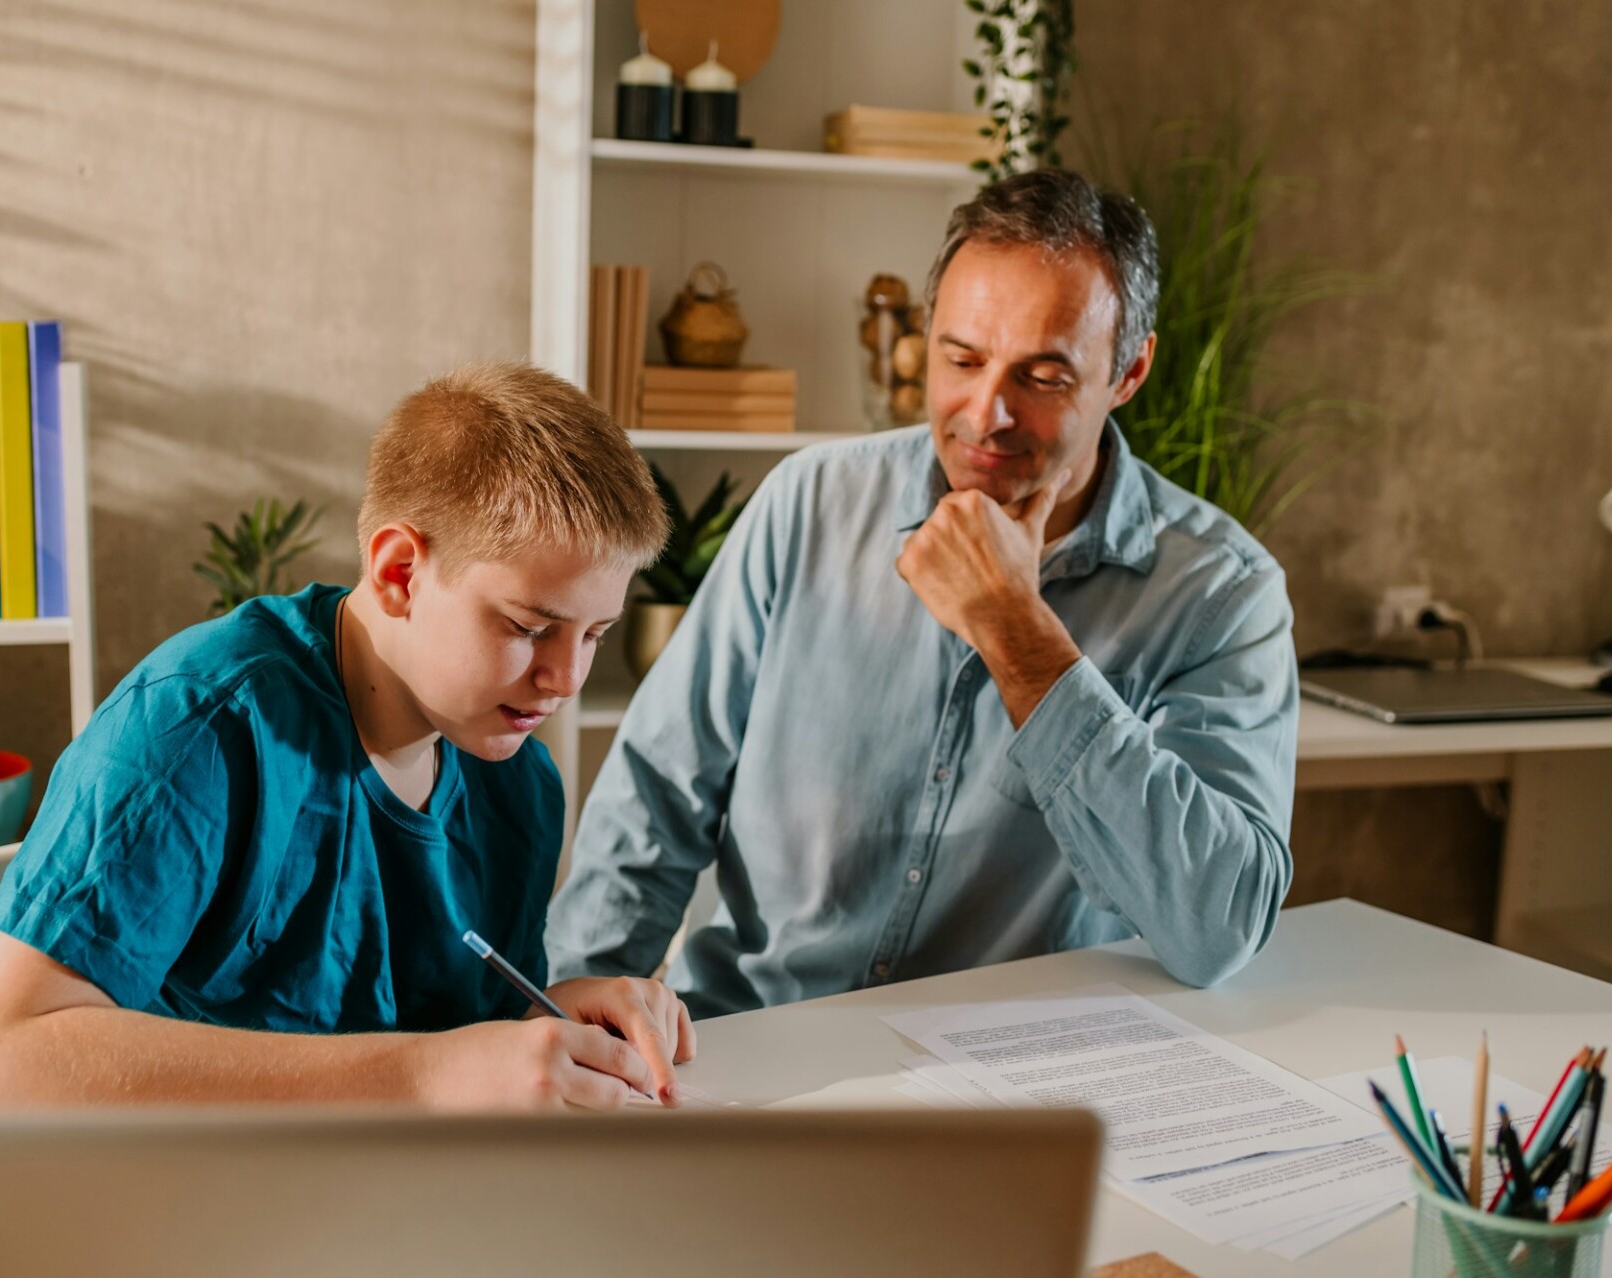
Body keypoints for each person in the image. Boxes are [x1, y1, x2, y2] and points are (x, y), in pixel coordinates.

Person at [548, 168, 1298, 1017]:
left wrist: (1021, 636)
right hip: (760, 1044)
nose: (988, 413)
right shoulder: (810, 504)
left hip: (1006, 1084)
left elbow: (1218, 931)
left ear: (1129, 371)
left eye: (1044, 377)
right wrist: (578, 1003)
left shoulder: (1220, 596)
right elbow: (657, 796)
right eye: (963, 359)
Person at [0, 363, 697, 1114]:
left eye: (596, 633)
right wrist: (427, 1075)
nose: (566, 678)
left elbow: (454, 1047)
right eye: (530, 627)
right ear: (400, 573)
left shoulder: (517, 778)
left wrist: (546, 1026)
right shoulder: (200, 726)